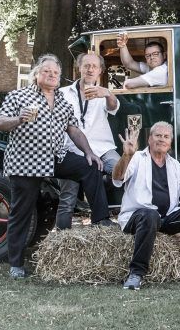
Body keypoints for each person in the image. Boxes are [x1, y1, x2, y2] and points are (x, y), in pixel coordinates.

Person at [0, 53, 113, 279]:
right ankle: (16, 264)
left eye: (56, 72)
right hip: (26, 162)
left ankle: (101, 219)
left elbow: (74, 130)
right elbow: (0, 123)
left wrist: (89, 153)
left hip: (56, 157)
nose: (52, 75)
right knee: (21, 212)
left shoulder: (62, 101)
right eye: (47, 71)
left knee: (90, 167)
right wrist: (19, 119)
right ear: (36, 74)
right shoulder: (19, 96)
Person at [112, 121, 180, 289]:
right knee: (150, 214)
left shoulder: (175, 165)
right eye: (158, 135)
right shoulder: (136, 158)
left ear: (170, 142)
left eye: (166, 136)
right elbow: (117, 178)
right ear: (149, 139)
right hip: (138, 218)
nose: (161, 139)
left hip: (164, 219)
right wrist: (126, 155)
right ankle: (136, 273)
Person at [56, 52, 120, 229]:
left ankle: (128, 220)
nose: (90, 69)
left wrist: (107, 93)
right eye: (86, 66)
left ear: (100, 71)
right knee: (67, 198)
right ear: (80, 68)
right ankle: (62, 237)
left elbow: (114, 106)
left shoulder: (104, 93)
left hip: (103, 149)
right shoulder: (62, 93)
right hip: (72, 150)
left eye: (94, 66)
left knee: (124, 172)